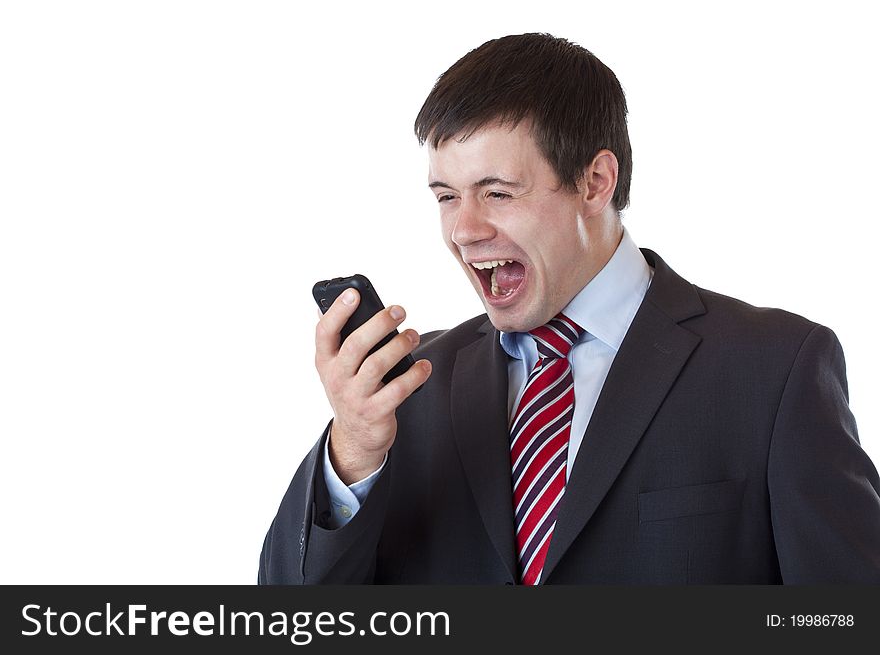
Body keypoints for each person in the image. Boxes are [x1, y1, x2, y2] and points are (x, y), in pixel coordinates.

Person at [259, 33, 880, 584]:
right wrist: (353, 453)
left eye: (497, 193)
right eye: (447, 196)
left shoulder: (774, 368)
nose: (464, 230)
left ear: (595, 182)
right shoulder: (406, 389)